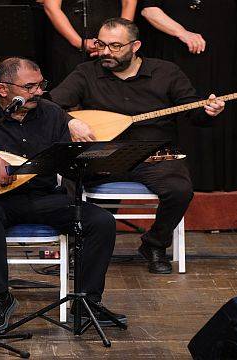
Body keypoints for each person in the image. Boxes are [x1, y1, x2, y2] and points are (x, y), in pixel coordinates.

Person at [0, 57, 125, 332]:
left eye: (41, 85)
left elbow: (69, 164)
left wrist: (102, 166)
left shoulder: (52, 114)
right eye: (29, 86)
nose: (38, 92)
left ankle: (88, 303)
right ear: (3, 89)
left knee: (101, 221)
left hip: (45, 197)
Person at [50, 18, 225, 274]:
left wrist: (209, 111)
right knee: (67, 178)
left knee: (179, 189)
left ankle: (154, 244)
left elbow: (193, 111)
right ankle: (79, 245)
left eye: (115, 46)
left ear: (136, 46)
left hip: (153, 156)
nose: (105, 52)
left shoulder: (166, 72)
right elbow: (50, 106)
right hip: (103, 154)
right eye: (101, 44)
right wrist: (71, 121)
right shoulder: (86, 73)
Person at [139, 0, 237, 192]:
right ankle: (182, 176)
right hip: (177, 48)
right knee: (183, 104)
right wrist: (182, 32)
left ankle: (223, 176)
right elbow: (149, 10)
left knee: (218, 106)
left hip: (221, 48)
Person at [43, 0, 136, 87]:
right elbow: (51, 6)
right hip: (70, 43)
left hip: (114, 42)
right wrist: (79, 42)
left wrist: (119, 38)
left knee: (115, 89)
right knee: (70, 90)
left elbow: (128, 3)